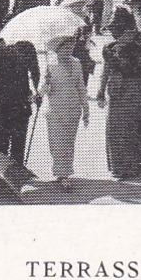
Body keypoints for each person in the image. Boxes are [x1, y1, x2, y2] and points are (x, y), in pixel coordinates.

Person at [96, 10, 141, 180]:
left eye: (126, 31)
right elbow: (105, 71)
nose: (121, 35)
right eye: (117, 32)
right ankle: (118, 167)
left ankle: (133, 165)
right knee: (115, 129)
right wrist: (100, 91)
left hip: (134, 92)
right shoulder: (109, 49)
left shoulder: (139, 50)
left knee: (132, 128)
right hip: (116, 93)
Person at [40, 34, 90, 190]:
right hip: (55, 109)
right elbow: (42, 91)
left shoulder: (77, 63)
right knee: (57, 142)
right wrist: (46, 83)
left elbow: (81, 87)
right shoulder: (50, 65)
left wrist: (86, 108)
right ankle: (61, 174)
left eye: (71, 47)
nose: (69, 50)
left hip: (73, 109)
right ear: (57, 49)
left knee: (68, 143)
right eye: (66, 47)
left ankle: (65, 172)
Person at [0, 37, 37, 164]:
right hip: (7, 103)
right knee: (7, 144)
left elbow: (35, 72)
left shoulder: (26, 47)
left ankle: (13, 175)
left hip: (17, 101)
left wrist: (35, 92)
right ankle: (10, 176)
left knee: (10, 143)